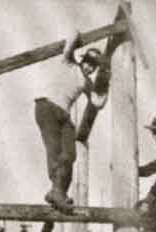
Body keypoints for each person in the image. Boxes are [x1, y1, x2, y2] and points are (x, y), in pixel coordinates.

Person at [35, 29, 109, 215]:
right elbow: (72, 35)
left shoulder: (87, 83)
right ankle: (57, 192)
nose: (89, 68)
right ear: (82, 59)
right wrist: (83, 39)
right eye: (88, 63)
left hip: (64, 115)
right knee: (54, 150)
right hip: (47, 107)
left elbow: (97, 102)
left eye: (94, 67)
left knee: (70, 154)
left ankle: (57, 192)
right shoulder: (67, 62)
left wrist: (106, 79)